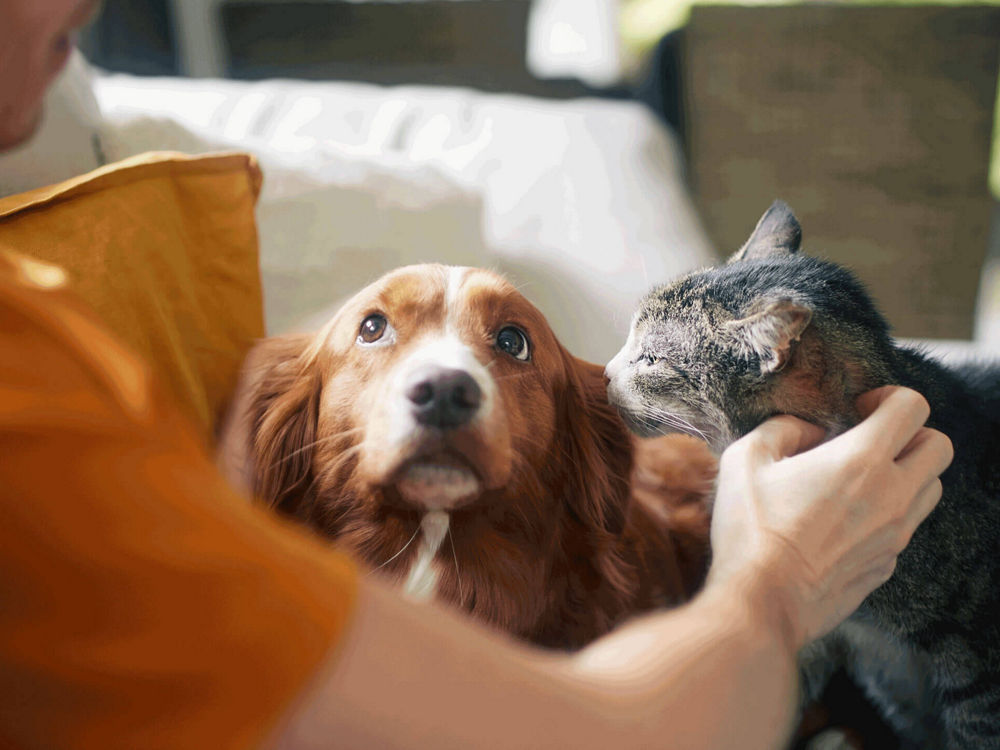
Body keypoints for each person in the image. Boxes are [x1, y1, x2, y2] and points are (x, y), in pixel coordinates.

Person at [0, 2, 954, 748]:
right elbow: (616, 733)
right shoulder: (32, 377)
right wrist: (781, 580)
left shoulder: (36, 329)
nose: (447, 379)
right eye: (376, 331)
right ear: (281, 436)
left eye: (511, 348)